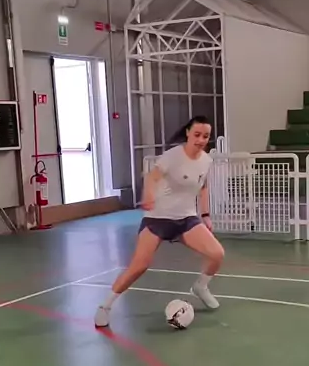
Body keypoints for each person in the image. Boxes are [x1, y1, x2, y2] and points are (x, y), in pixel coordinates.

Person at [94, 116, 224, 327]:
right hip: (158, 220)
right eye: (197, 135)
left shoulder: (206, 160)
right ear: (188, 133)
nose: (201, 140)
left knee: (217, 253)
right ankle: (105, 306)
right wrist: (148, 195)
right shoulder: (173, 156)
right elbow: (151, 177)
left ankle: (200, 287)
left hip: (186, 219)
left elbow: (203, 187)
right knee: (139, 266)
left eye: (206, 136)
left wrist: (206, 214)